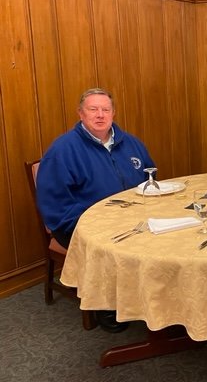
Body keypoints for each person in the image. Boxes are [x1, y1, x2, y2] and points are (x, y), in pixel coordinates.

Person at [36, 88, 155, 333]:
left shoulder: (130, 142)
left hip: (132, 214)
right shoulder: (62, 150)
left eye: (105, 109)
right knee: (114, 245)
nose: (100, 115)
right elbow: (55, 204)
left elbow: (150, 177)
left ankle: (154, 294)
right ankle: (107, 302)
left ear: (113, 113)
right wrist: (93, 224)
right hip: (79, 223)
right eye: (93, 109)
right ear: (81, 114)